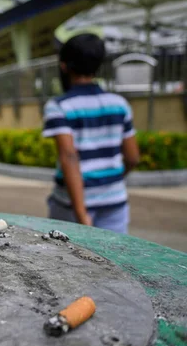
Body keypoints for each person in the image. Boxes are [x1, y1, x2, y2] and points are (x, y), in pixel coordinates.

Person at [42, 33, 140, 234]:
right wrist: (111, 180)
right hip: (115, 201)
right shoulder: (119, 104)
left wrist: (82, 215)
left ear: (64, 66)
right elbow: (132, 157)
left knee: (68, 263)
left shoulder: (59, 107)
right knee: (113, 262)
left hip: (71, 207)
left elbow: (69, 157)